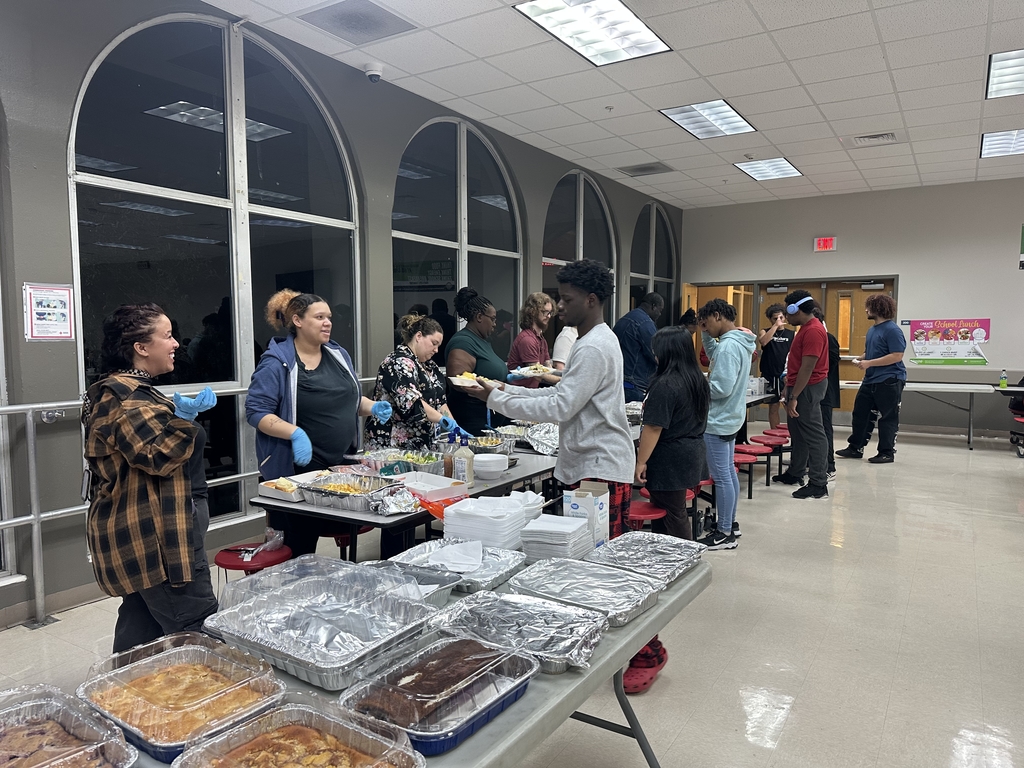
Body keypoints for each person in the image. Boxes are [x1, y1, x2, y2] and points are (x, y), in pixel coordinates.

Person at [82, 303, 219, 653]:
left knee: (139, 621)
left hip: (154, 532)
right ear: (141, 348)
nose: (176, 344)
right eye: (168, 336)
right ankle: (204, 702)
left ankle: (119, 696)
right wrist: (184, 419)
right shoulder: (126, 397)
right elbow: (157, 456)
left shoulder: (136, 392)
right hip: (159, 540)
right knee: (195, 630)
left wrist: (178, 415)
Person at [467, 260, 635, 540]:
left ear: (591, 300)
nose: (559, 305)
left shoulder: (593, 346)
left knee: (597, 557)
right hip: (593, 462)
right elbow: (560, 393)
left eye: (567, 299)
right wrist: (505, 390)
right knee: (586, 553)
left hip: (598, 466)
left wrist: (495, 398)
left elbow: (561, 406)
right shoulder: (592, 340)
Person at [246, 290, 393, 556]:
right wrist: (295, 433)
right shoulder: (276, 362)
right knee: (300, 548)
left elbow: (347, 399)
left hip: (340, 469)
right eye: (319, 317)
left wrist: (372, 406)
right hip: (299, 472)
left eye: (329, 317)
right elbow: (257, 412)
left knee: (348, 531)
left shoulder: (338, 354)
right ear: (298, 321)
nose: (328, 322)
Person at [635, 326, 710, 540]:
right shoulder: (696, 379)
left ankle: (685, 557)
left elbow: (653, 427)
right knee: (667, 508)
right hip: (691, 451)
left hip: (670, 458)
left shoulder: (666, 384)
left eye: (657, 350)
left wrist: (641, 461)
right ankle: (665, 553)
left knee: (673, 512)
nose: (655, 355)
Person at [698, 299, 757, 550]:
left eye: (707, 322)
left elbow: (721, 387)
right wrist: (704, 333)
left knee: (721, 476)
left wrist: (696, 388)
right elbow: (714, 356)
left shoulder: (729, 347)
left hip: (718, 420)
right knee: (729, 473)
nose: (706, 327)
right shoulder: (738, 342)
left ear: (718, 315)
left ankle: (724, 533)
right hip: (731, 417)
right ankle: (729, 523)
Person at [366, 314, 461, 450]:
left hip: (421, 443)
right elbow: (412, 402)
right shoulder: (397, 362)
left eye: (438, 346)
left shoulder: (430, 366)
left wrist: (454, 427)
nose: (436, 350)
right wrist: (441, 419)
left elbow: (440, 401)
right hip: (393, 444)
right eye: (434, 343)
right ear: (418, 336)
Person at [836, 294, 907, 464]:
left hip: (890, 379)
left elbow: (897, 355)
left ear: (877, 308)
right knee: (861, 413)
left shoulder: (893, 330)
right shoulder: (872, 330)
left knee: (888, 417)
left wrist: (869, 363)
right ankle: (855, 448)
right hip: (871, 380)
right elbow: (873, 352)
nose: (866, 310)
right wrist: (862, 359)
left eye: (868, 307)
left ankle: (886, 452)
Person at [774, 290, 830, 498]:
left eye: (788, 313)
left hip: (807, 388)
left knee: (814, 435)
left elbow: (808, 367)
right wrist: (788, 388)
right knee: (797, 432)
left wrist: (795, 396)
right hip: (797, 386)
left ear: (795, 309)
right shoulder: (806, 328)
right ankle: (796, 472)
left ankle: (818, 483)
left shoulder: (814, 330)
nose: (786, 319)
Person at [445, 288, 511, 435]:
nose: (495, 323)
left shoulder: (483, 341)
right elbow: (458, 380)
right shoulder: (463, 342)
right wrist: (486, 387)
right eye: (493, 319)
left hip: (488, 418)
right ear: (480, 316)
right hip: (472, 422)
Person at [613, 292, 664, 402]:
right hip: (635, 386)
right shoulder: (645, 323)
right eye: (660, 310)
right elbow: (657, 355)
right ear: (653, 306)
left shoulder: (624, 320)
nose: (659, 314)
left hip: (619, 382)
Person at [812, 307, 841, 482]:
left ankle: (829, 466)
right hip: (812, 392)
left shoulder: (828, 339)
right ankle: (813, 463)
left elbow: (827, 364)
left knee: (824, 430)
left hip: (824, 393)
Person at [506, 292, 559, 388]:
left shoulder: (541, 339)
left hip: (530, 392)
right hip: (518, 395)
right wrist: (563, 381)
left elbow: (548, 367)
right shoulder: (527, 340)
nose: (549, 316)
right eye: (545, 312)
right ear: (533, 312)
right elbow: (538, 375)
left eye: (550, 312)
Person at [757, 303, 795, 430]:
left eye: (781, 318)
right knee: (773, 407)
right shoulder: (765, 331)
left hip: (785, 375)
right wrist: (775, 327)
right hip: (769, 374)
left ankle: (795, 436)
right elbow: (763, 342)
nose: (779, 321)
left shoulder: (792, 334)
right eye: (775, 318)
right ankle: (775, 437)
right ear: (770, 319)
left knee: (789, 405)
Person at [428, 298, 457, 367]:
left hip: (432, 355)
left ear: (433, 309)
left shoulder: (428, 321)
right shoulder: (453, 321)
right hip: (449, 352)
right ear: (447, 309)